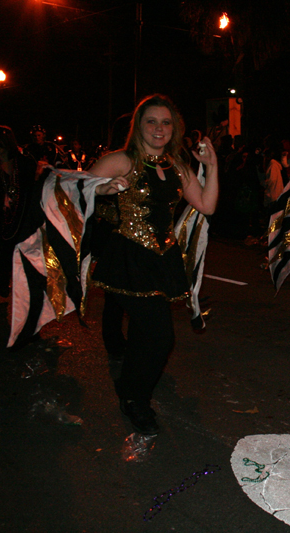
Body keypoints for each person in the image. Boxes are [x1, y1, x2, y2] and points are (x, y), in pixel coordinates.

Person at [88, 94, 218, 435]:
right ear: (139, 125)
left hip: (162, 259)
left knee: (149, 335)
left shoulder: (175, 165)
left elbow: (207, 205)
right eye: (151, 121)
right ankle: (135, 398)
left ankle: (130, 390)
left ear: (173, 129)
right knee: (160, 337)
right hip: (129, 257)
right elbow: (77, 189)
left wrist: (213, 167)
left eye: (165, 122)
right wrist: (103, 188)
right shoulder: (121, 159)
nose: (159, 129)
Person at [0, 126, 39, 297]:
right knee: (3, 252)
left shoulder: (23, 161)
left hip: (21, 213)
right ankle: (3, 279)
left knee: (22, 250)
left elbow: (33, 185)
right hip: (1, 216)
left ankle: (23, 285)